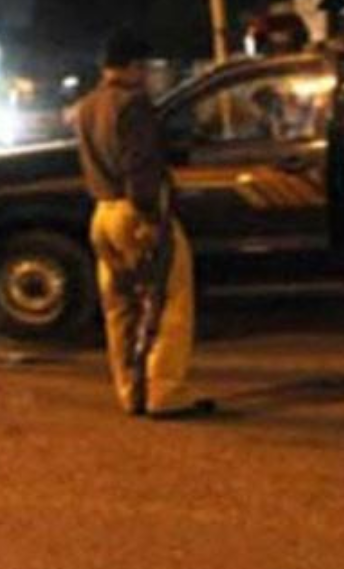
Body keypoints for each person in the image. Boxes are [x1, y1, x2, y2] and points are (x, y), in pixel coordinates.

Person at [72, 30, 214, 419]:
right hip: (135, 212)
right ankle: (164, 392)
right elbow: (140, 165)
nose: (149, 75)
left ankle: (130, 391)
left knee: (120, 309)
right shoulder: (132, 105)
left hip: (102, 214)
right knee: (168, 301)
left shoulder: (87, 105)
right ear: (134, 66)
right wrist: (150, 217)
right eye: (146, 68)